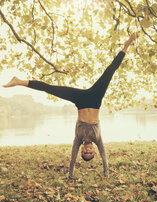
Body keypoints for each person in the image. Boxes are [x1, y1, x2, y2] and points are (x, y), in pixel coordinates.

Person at [3, 33, 137, 178]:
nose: (88, 150)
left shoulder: (78, 140)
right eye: (90, 152)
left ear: (82, 151)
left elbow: (72, 159)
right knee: (110, 71)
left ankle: (19, 81)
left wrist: (70, 176)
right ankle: (127, 44)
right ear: (93, 150)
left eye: (85, 153)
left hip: (80, 101)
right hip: (95, 99)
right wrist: (106, 173)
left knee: (50, 88)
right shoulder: (98, 140)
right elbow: (104, 156)